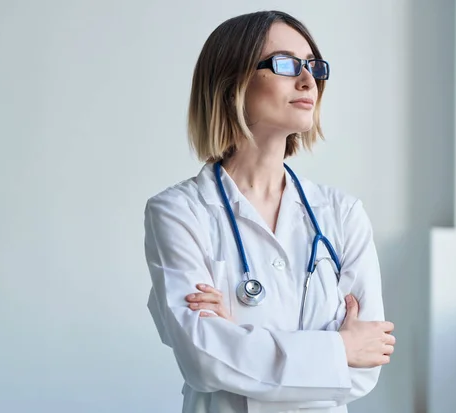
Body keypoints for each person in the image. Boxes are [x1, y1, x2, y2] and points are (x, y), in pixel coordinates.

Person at [143, 10, 396, 413]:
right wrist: (339, 348)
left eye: (313, 66)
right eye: (285, 64)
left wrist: (236, 341)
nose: (308, 80)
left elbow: (365, 369)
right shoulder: (178, 213)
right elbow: (203, 361)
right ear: (232, 82)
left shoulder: (342, 214)